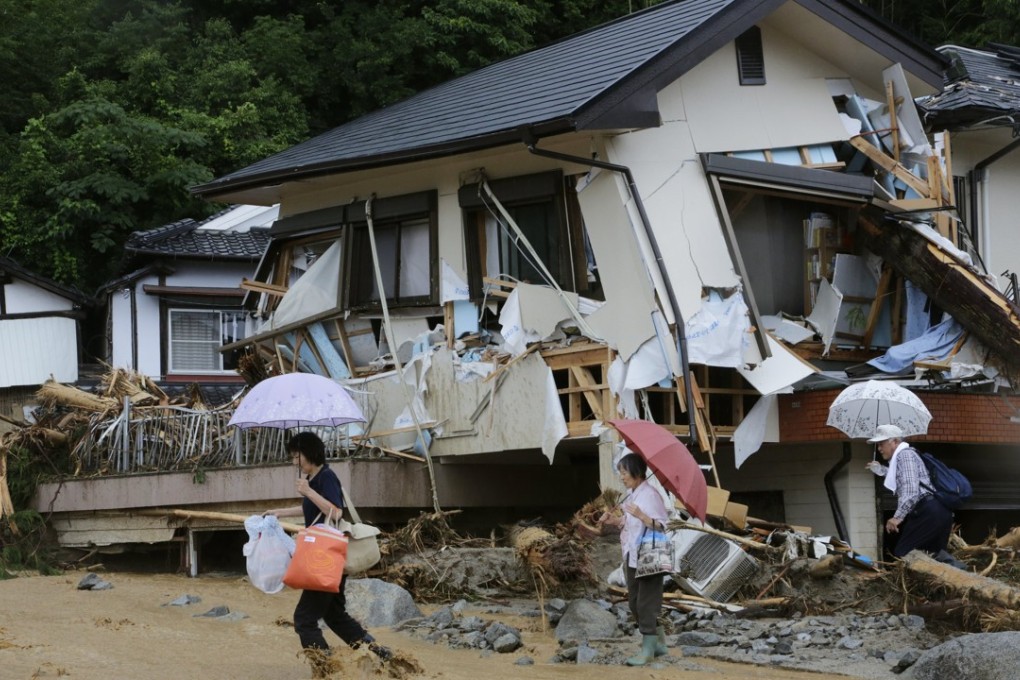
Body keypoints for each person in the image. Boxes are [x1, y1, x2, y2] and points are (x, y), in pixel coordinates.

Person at [264, 432, 392, 672]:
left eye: (296, 456)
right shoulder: (315, 479)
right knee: (334, 616)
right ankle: (379, 653)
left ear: (309, 454)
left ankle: (327, 670)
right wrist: (279, 512)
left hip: (324, 559)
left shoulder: (326, 477)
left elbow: (336, 512)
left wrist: (308, 491)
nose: (294, 461)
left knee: (304, 620)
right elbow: (312, 510)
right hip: (328, 557)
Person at [598, 452, 670, 666]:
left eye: (624, 472)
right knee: (634, 602)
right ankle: (659, 643)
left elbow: (663, 525)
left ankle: (648, 650)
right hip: (632, 555)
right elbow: (629, 524)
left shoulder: (650, 495)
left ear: (637, 472)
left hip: (648, 555)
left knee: (646, 603)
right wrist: (615, 520)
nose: (621, 476)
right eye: (620, 472)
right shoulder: (633, 494)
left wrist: (642, 516)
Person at [864, 424, 964, 568]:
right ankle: (961, 576)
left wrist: (897, 518)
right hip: (937, 511)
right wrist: (880, 469)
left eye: (881, 443)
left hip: (928, 511)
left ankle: (963, 575)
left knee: (904, 554)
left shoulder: (905, 455)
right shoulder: (903, 457)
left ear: (895, 442)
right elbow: (902, 478)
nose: (879, 448)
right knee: (934, 556)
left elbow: (911, 490)